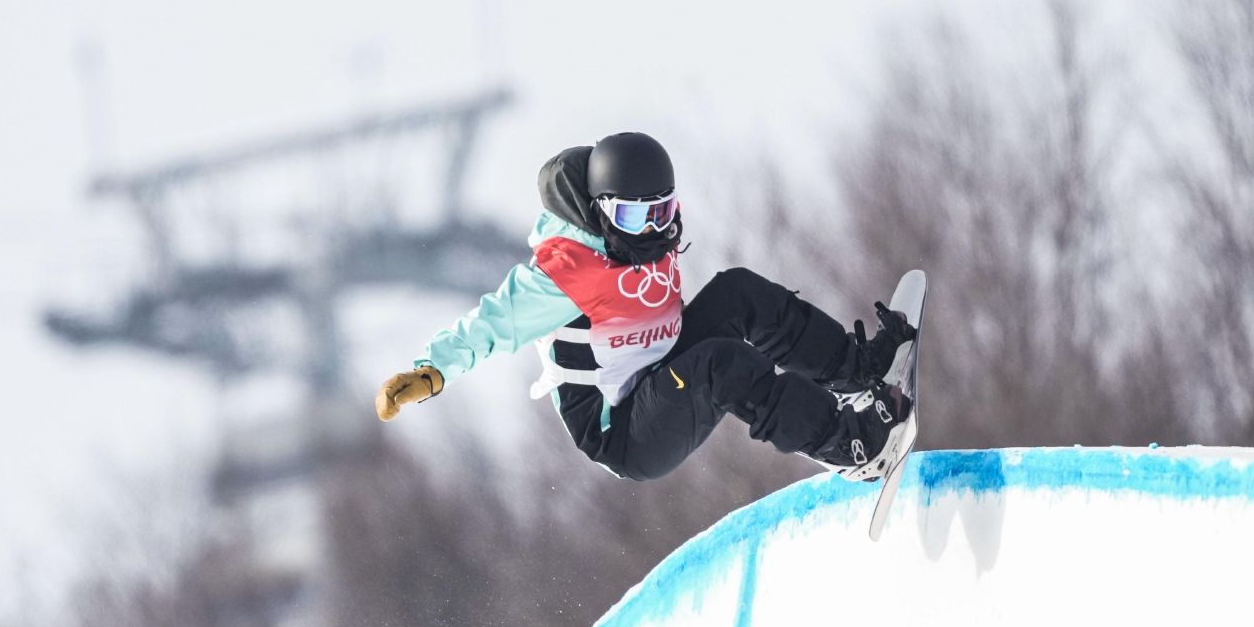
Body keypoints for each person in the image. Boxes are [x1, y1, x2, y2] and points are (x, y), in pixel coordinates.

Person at [373, 132, 914, 481]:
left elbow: (689, 284)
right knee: (722, 364)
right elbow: (489, 325)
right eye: (637, 220)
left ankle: (861, 371)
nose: (655, 231)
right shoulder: (564, 276)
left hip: (663, 364)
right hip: (627, 430)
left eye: (664, 213)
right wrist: (430, 371)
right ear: (603, 215)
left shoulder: (653, 236)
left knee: (738, 292)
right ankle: (851, 449)